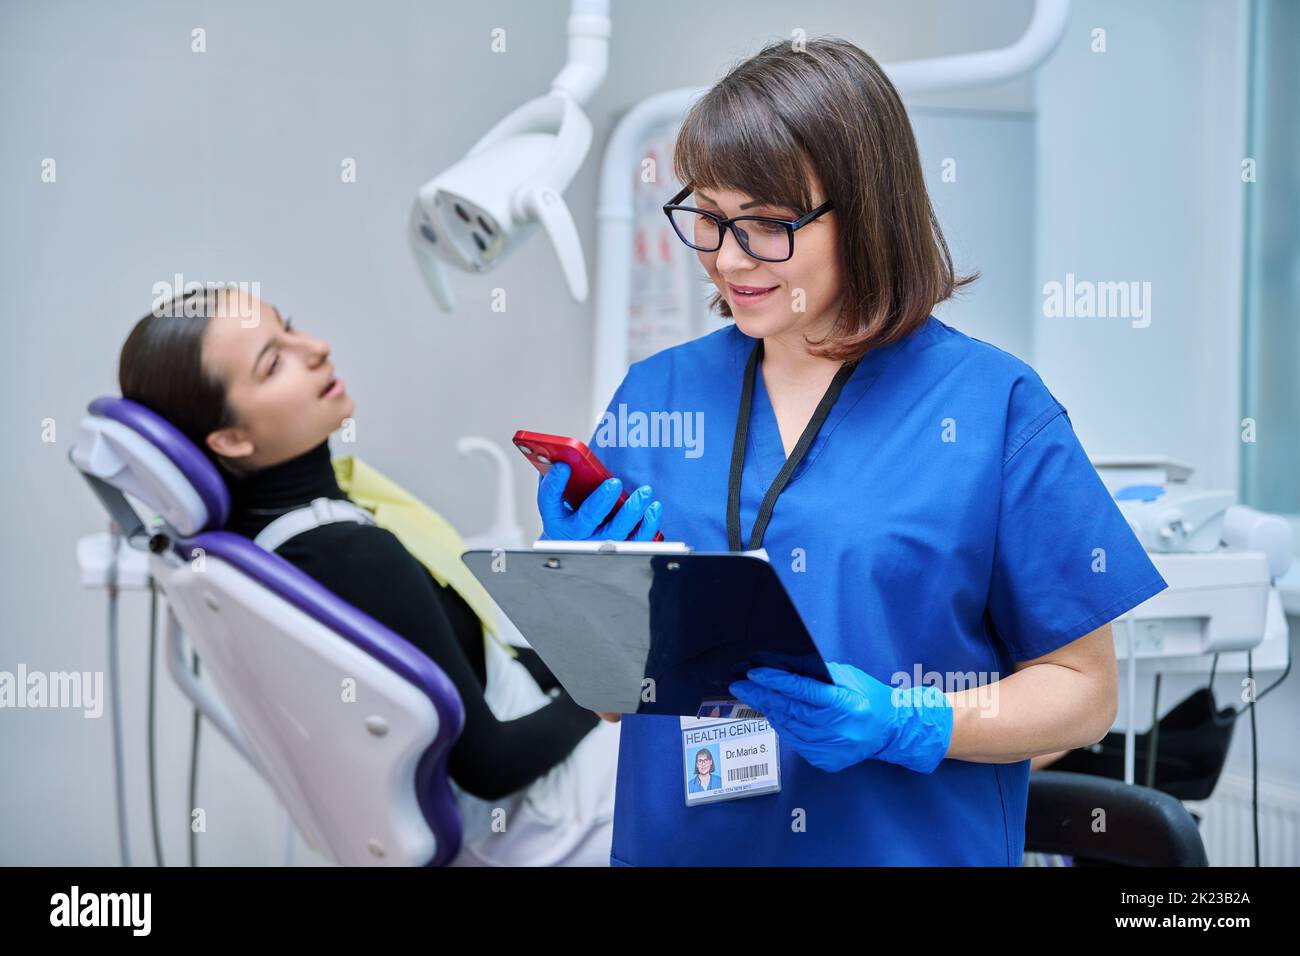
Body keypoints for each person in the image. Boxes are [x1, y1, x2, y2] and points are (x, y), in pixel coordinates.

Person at [535, 37, 1168, 865]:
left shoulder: (992, 408)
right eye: (711, 217)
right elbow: (618, 701)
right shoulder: (656, 398)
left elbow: (1085, 695)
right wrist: (579, 597)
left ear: (865, 214)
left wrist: (911, 721)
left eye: (768, 224)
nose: (728, 258)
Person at [118, 286, 629, 866]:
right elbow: (492, 764)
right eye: (274, 362)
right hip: (547, 817)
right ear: (231, 438)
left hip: (519, 809)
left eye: (291, 328)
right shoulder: (351, 555)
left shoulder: (278, 542)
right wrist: (614, 681)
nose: (315, 347)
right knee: (739, 743)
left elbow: (484, 664)